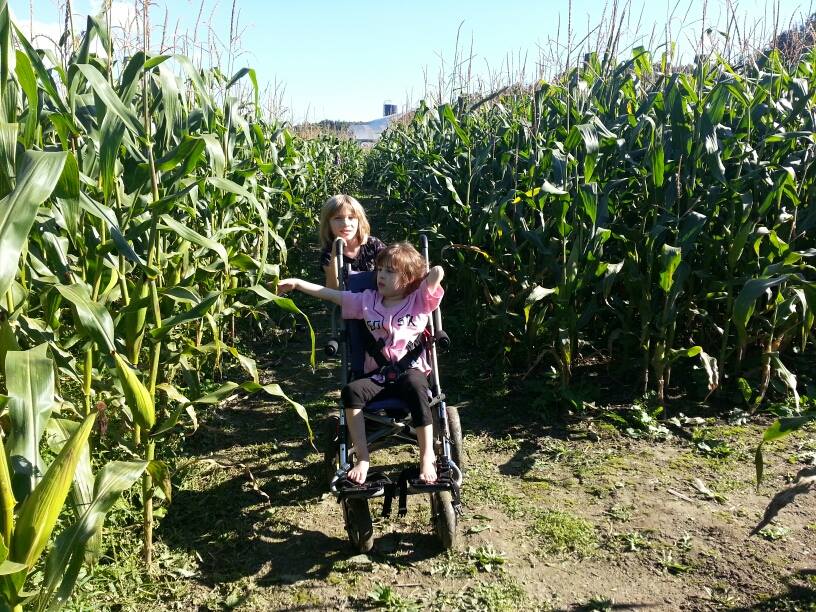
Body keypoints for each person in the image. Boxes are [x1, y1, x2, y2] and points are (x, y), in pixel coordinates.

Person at [278, 242, 444, 485]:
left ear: (408, 278)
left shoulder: (419, 300)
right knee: (351, 391)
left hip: (410, 371)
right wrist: (297, 283)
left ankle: (426, 455)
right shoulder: (366, 301)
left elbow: (436, 274)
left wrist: (427, 274)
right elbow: (331, 294)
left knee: (417, 386)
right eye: (380, 270)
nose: (381, 276)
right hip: (378, 375)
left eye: (390, 271)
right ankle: (363, 458)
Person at [318, 195, 385, 289]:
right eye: (338, 218)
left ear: (359, 221)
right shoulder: (328, 252)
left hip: (377, 301)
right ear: (328, 223)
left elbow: (395, 269)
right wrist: (334, 254)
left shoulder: (373, 244)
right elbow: (333, 289)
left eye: (351, 217)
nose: (346, 223)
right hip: (348, 302)